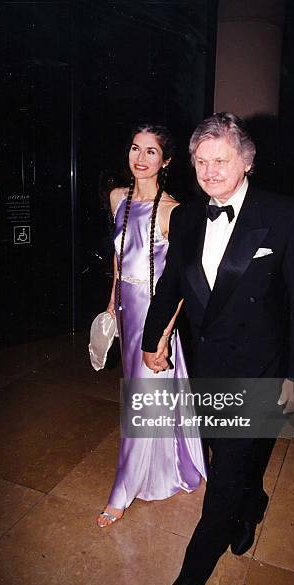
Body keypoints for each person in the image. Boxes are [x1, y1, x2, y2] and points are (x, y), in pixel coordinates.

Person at [142, 112, 294, 585]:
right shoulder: (188, 217)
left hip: (259, 365)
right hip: (207, 362)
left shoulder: (284, 215)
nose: (209, 171)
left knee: (226, 469)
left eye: (221, 160)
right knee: (225, 448)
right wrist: (152, 338)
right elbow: (171, 284)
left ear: (247, 162)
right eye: (200, 161)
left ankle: (191, 575)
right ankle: (250, 504)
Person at [97, 124, 207, 528]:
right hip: (127, 305)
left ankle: (122, 491)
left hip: (154, 311)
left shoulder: (173, 210)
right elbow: (117, 255)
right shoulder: (116, 199)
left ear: (166, 161)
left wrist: (163, 334)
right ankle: (170, 465)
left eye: (151, 152)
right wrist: (111, 303)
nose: (140, 159)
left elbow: (178, 282)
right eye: (135, 148)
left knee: (143, 395)